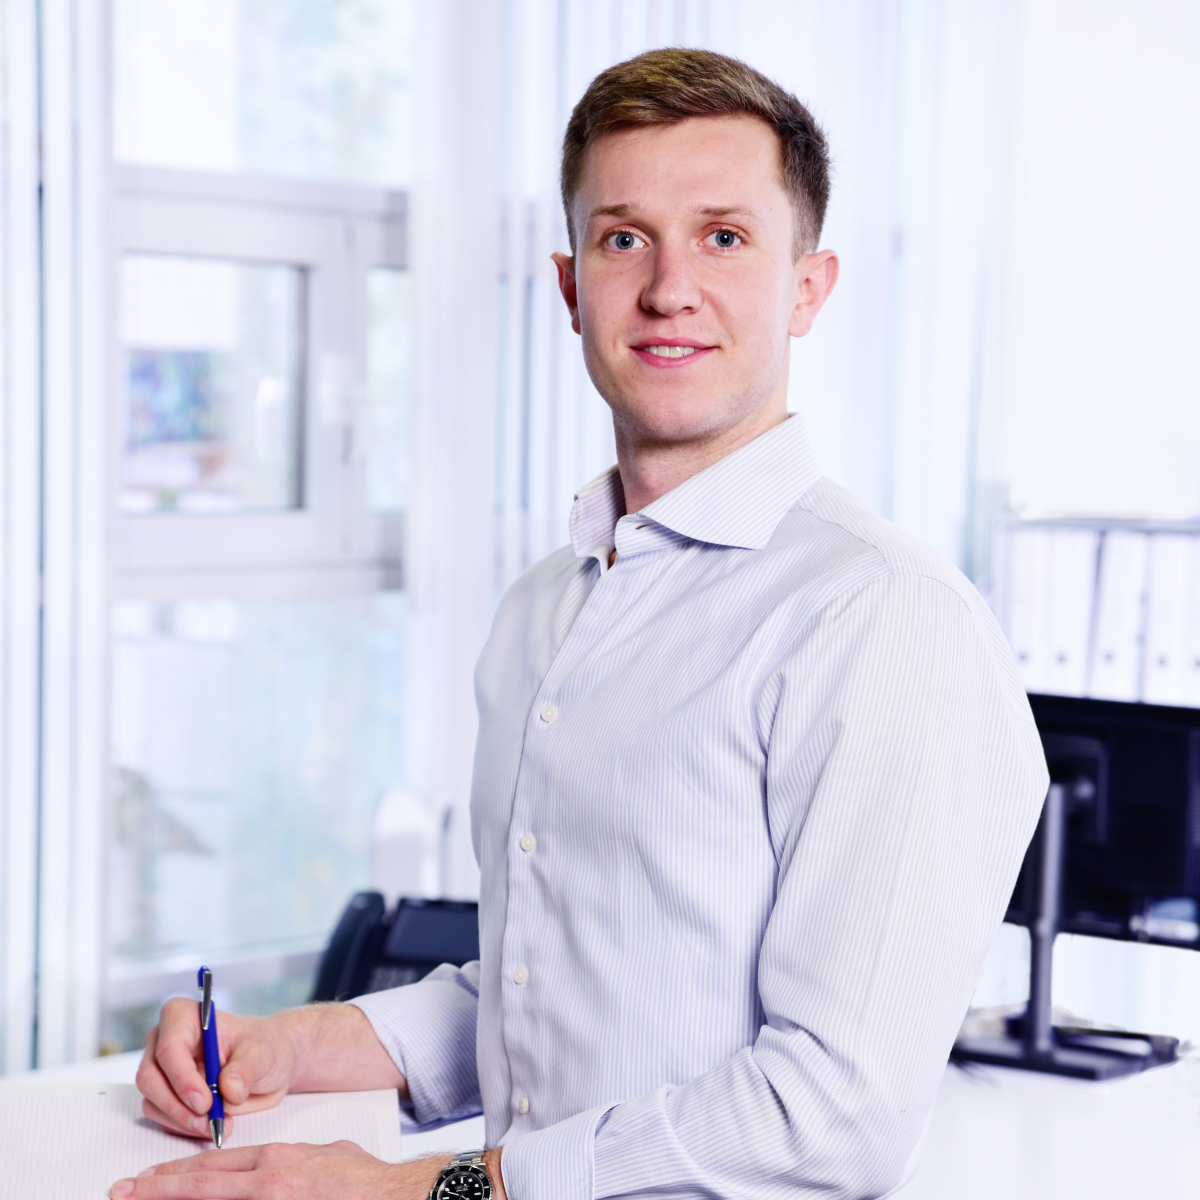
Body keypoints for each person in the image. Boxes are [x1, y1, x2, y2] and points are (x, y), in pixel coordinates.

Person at [113, 48, 1048, 1200]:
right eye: (623, 239)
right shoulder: (544, 611)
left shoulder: (884, 620)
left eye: (723, 236)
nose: (669, 288)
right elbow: (550, 993)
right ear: (569, 287)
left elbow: (832, 1114)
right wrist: (298, 1044)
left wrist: (432, 1190)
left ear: (808, 288)